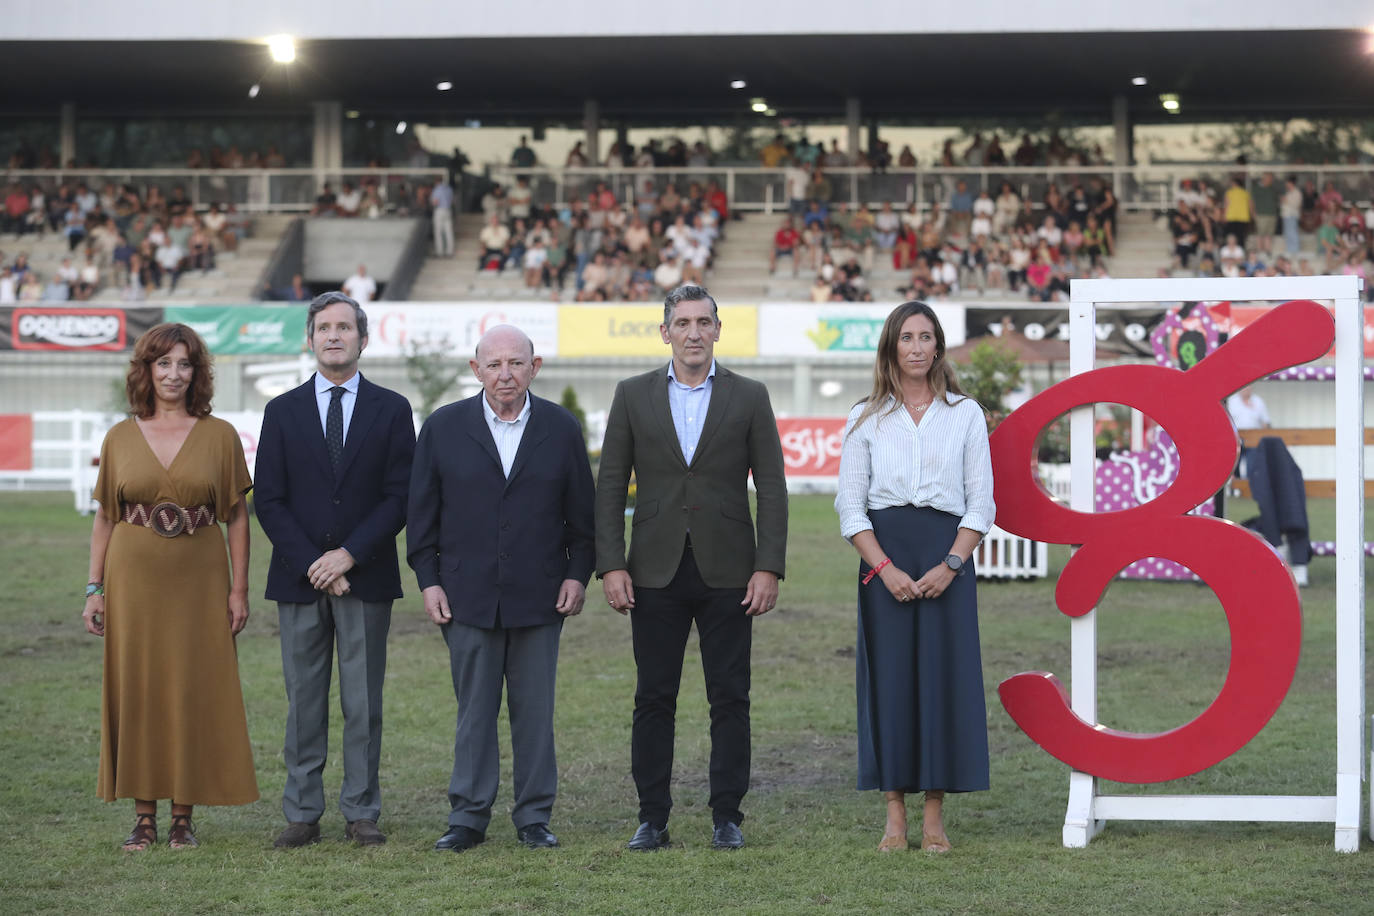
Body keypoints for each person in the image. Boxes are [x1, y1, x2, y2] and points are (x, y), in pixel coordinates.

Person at [596, 285, 788, 852]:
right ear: (665, 332)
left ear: (718, 330)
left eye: (704, 322)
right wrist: (610, 564)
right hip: (652, 570)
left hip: (731, 570)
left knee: (730, 697)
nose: (694, 332)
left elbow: (772, 489)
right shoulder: (632, 395)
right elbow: (609, 485)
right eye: (683, 323)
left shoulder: (750, 396)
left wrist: (768, 567)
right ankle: (651, 817)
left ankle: (727, 815)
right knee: (653, 696)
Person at [408, 325, 594, 854]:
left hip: (540, 598)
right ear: (476, 370)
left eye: (516, 363)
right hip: (466, 597)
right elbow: (421, 518)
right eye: (494, 365)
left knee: (534, 714)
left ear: (535, 368)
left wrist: (577, 574)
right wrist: (429, 582)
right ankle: (467, 818)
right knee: (474, 713)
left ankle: (534, 817)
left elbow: (582, 518)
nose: (505, 374)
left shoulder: (561, 429)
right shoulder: (444, 428)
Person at [81, 323, 257, 851]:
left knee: (191, 686)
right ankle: (143, 817)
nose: (174, 374)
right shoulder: (119, 436)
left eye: (184, 364)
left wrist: (239, 590)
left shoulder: (220, 435)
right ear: (147, 371)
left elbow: (238, 518)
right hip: (131, 580)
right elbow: (105, 520)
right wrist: (94, 588)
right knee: (139, 686)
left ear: (196, 372)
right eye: (163, 364)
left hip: (201, 580)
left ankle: (183, 817)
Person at [253, 292, 415, 849]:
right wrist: (316, 564)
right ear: (311, 338)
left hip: (365, 576)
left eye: (345, 327)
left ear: (363, 339)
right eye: (324, 327)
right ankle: (302, 811)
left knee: (364, 701)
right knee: (304, 700)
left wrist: (349, 555)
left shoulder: (393, 409)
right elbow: (269, 500)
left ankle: (361, 810)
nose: (334, 336)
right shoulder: (282, 410)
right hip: (299, 580)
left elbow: (400, 497)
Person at [833, 301, 995, 854]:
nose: (918, 348)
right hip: (885, 557)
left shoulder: (966, 413)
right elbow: (851, 508)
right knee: (891, 682)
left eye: (927, 337)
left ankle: (934, 815)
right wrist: (883, 568)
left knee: (942, 683)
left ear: (939, 346)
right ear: (891, 347)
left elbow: (982, 504)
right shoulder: (865, 416)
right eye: (908, 338)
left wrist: (952, 564)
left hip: (947, 555)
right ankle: (894, 814)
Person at [431, 177, 455, 257]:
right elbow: (452, 201)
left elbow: (435, 202)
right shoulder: (449, 189)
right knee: (448, 232)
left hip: (439, 210)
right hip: (448, 210)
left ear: (436, 182)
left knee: (438, 232)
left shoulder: (437, 190)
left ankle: (440, 252)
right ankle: (449, 251)